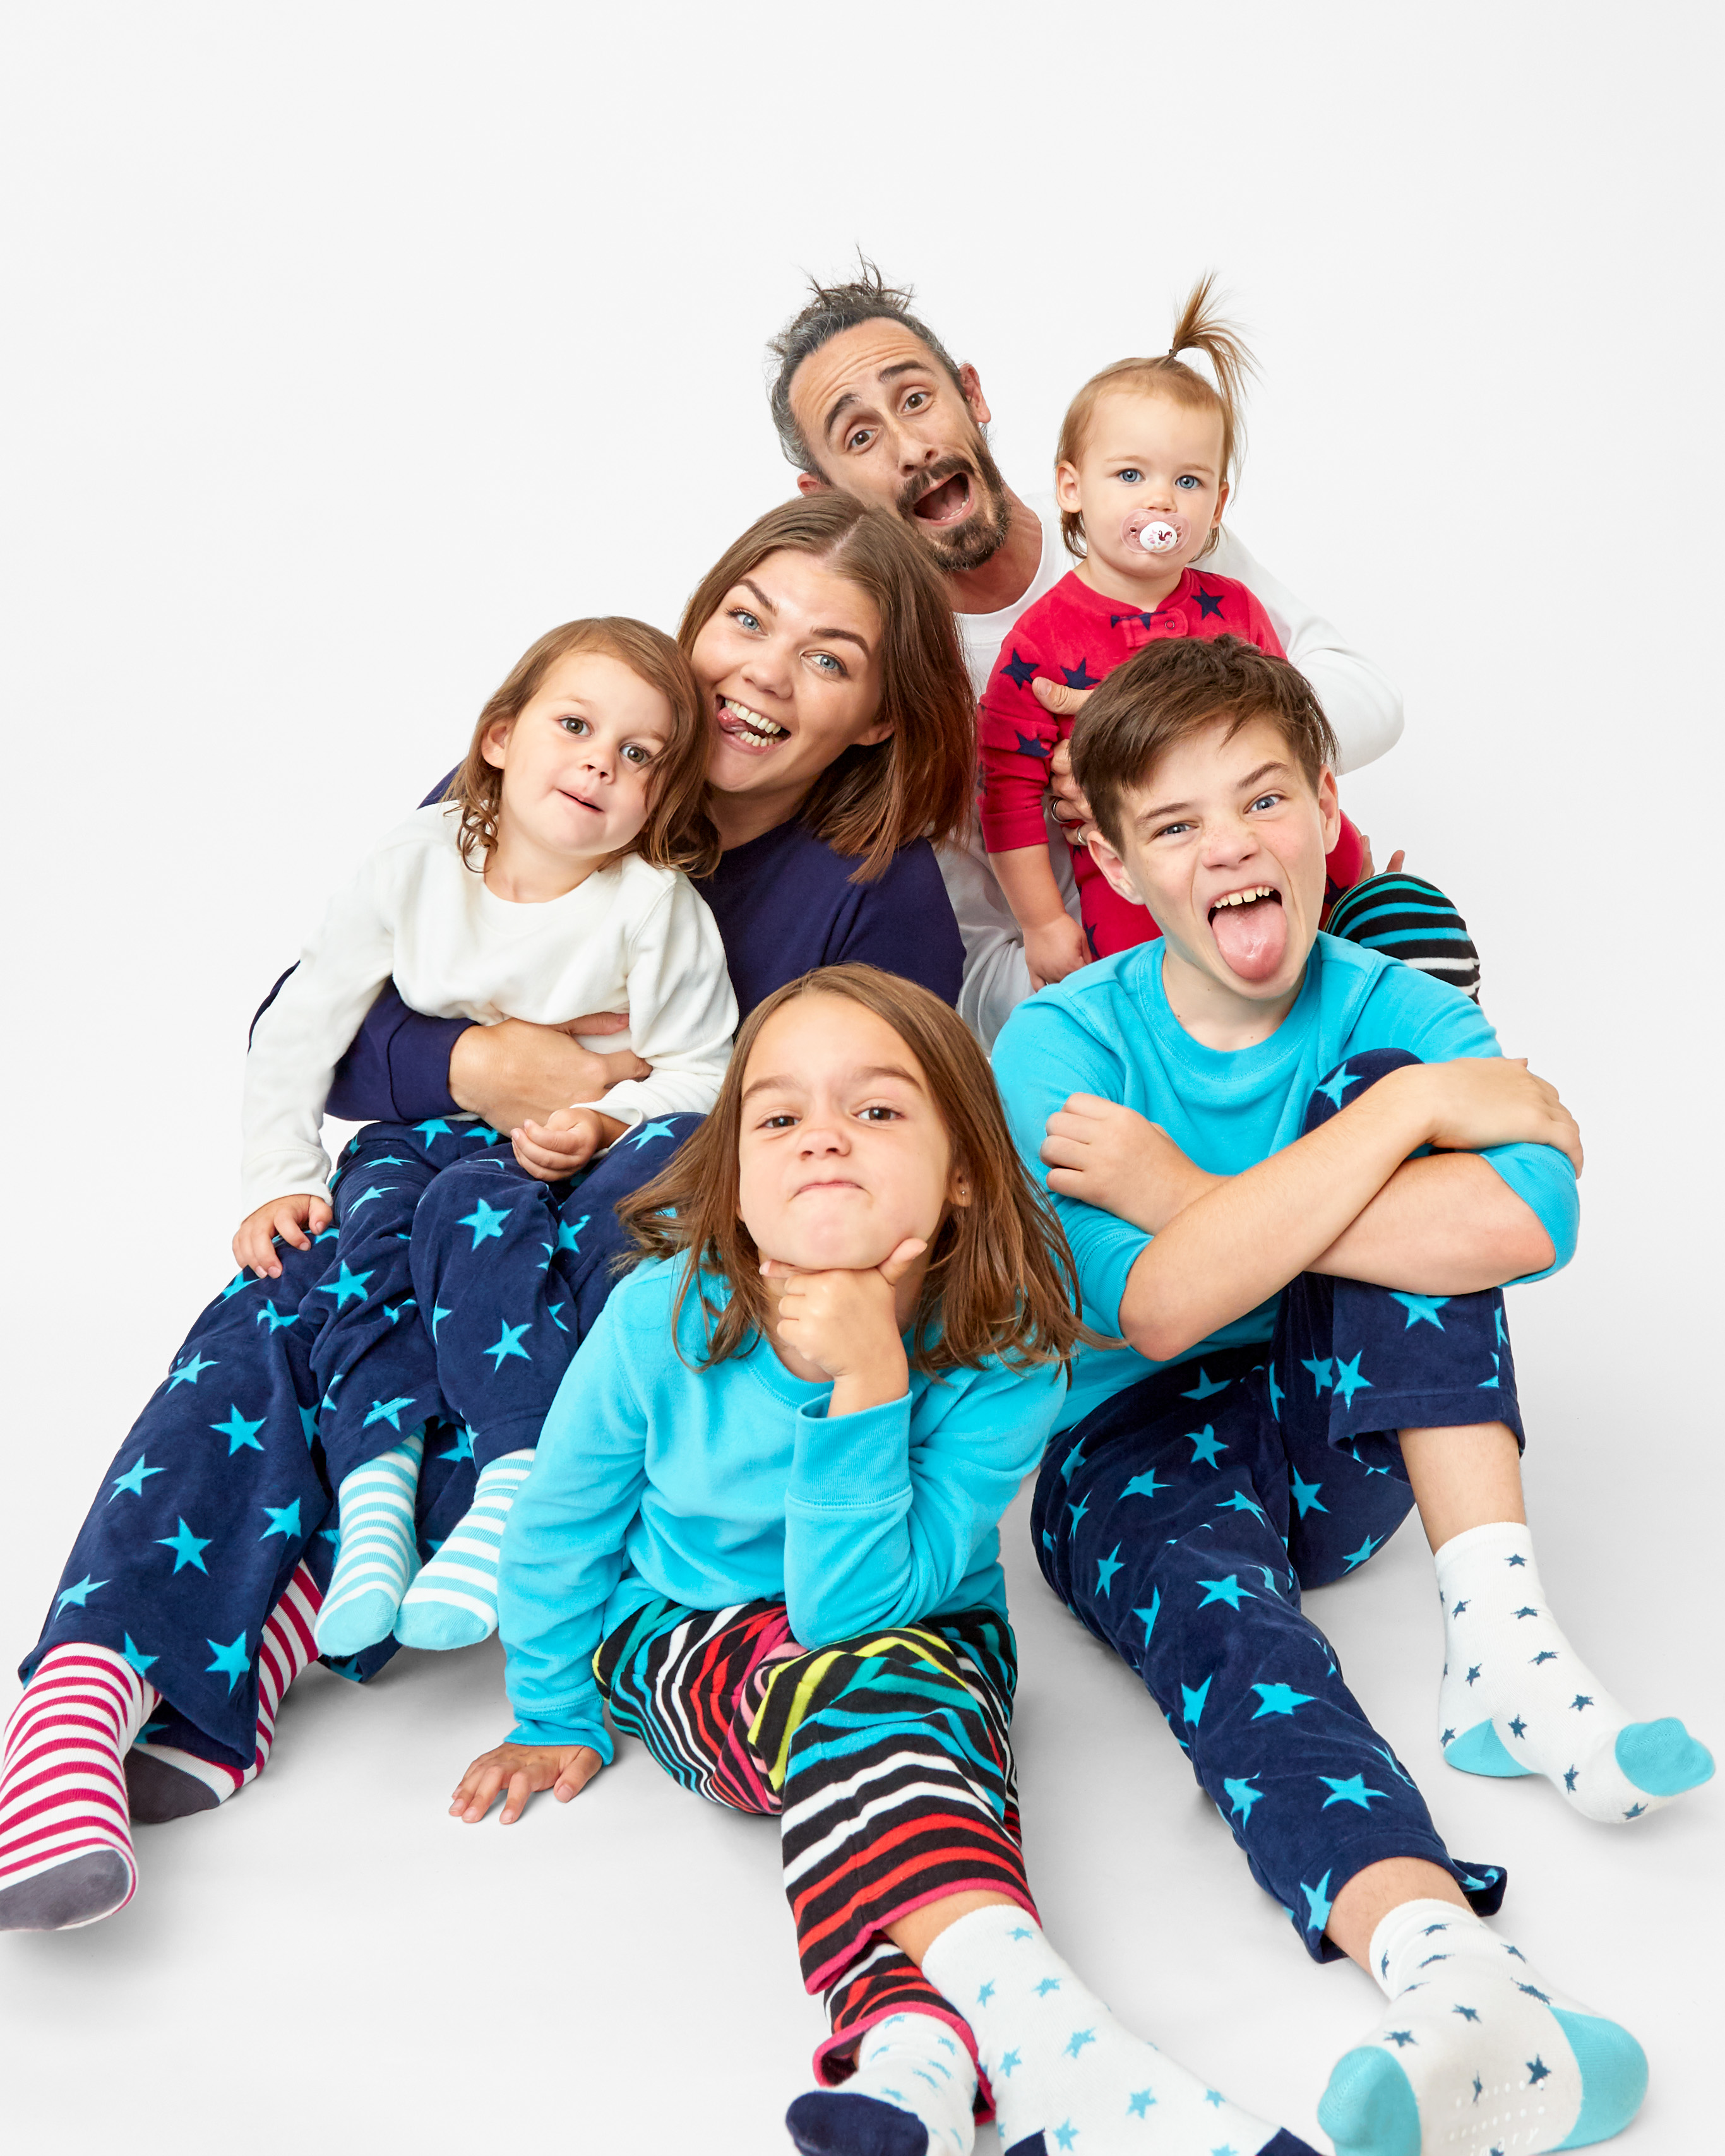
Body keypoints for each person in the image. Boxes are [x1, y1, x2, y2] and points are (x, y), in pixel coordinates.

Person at [1, 496, 975, 1936]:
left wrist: (611, 1116)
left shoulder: (872, 903)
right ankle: (82, 1693)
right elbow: (308, 1017)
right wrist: (478, 1062)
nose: (763, 670)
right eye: (747, 620)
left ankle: (255, 1629)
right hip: (445, 1182)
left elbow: (856, 1157)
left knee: (492, 1267)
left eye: (827, 658)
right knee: (292, 1279)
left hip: (661, 1247)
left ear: (880, 718)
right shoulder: (551, 769)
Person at [992, 636, 1707, 2155]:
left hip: (1341, 1426)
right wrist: (1412, 1123)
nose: (1228, 844)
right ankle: (1449, 1967)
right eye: (1174, 824)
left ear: (1326, 805)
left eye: (1260, 797)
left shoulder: (1389, 1009)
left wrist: (1200, 1180)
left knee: (1360, 1098)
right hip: (1128, 1443)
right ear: (1114, 860)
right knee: (1244, 1654)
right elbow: (1154, 1303)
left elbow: (1527, 1227)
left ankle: (1502, 1640)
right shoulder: (1061, 1040)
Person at [453, 965, 1325, 2156]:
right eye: (779, 1117)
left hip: (915, 1629)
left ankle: (910, 2051)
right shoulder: (661, 1317)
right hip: (682, 1630)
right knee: (852, 1699)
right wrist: (551, 1703)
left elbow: (857, 1606)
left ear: (961, 1174)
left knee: (882, 1714)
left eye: (875, 1111)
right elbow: (561, 1523)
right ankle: (1054, 2038)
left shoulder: (1011, 1348)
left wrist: (872, 1373)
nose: (823, 1140)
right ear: (736, 1179)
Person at [765, 262, 1477, 1039]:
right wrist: (1129, 997)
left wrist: (1165, 739)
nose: (909, 448)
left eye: (915, 398)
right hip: (1130, 997)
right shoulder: (888, 678)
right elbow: (975, 957)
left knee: (1417, 945)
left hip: (1289, 914)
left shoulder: (1138, 521)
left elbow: (1369, 700)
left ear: (970, 394)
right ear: (824, 493)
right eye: (860, 435)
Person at [234, 616, 735, 1665]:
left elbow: (705, 1069)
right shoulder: (416, 861)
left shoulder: (652, 908)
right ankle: (376, 1504)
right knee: (366, 1252)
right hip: (410, 1133)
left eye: (639, 755)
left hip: (547, 1155)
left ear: (660, 796)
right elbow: (307, 1018)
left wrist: (601, 1121)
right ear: (500, 738)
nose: (601, 760)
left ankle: (509, 1483)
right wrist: (277, 1174)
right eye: (575, 725)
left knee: (481, 1221)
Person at [976, 275, 1369, 986]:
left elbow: (1293, 740)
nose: (1160, 498)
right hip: (1133, 883)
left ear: (1217, 504)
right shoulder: (1041, 642)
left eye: (1187, 482)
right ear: (1071, 487)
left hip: (1252, 858)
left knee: (1318, 948)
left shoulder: (1235, 607)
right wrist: (1040, 921)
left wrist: (1342, 854)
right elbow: (1005, 791)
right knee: (1153, 997)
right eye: (1129, 474)